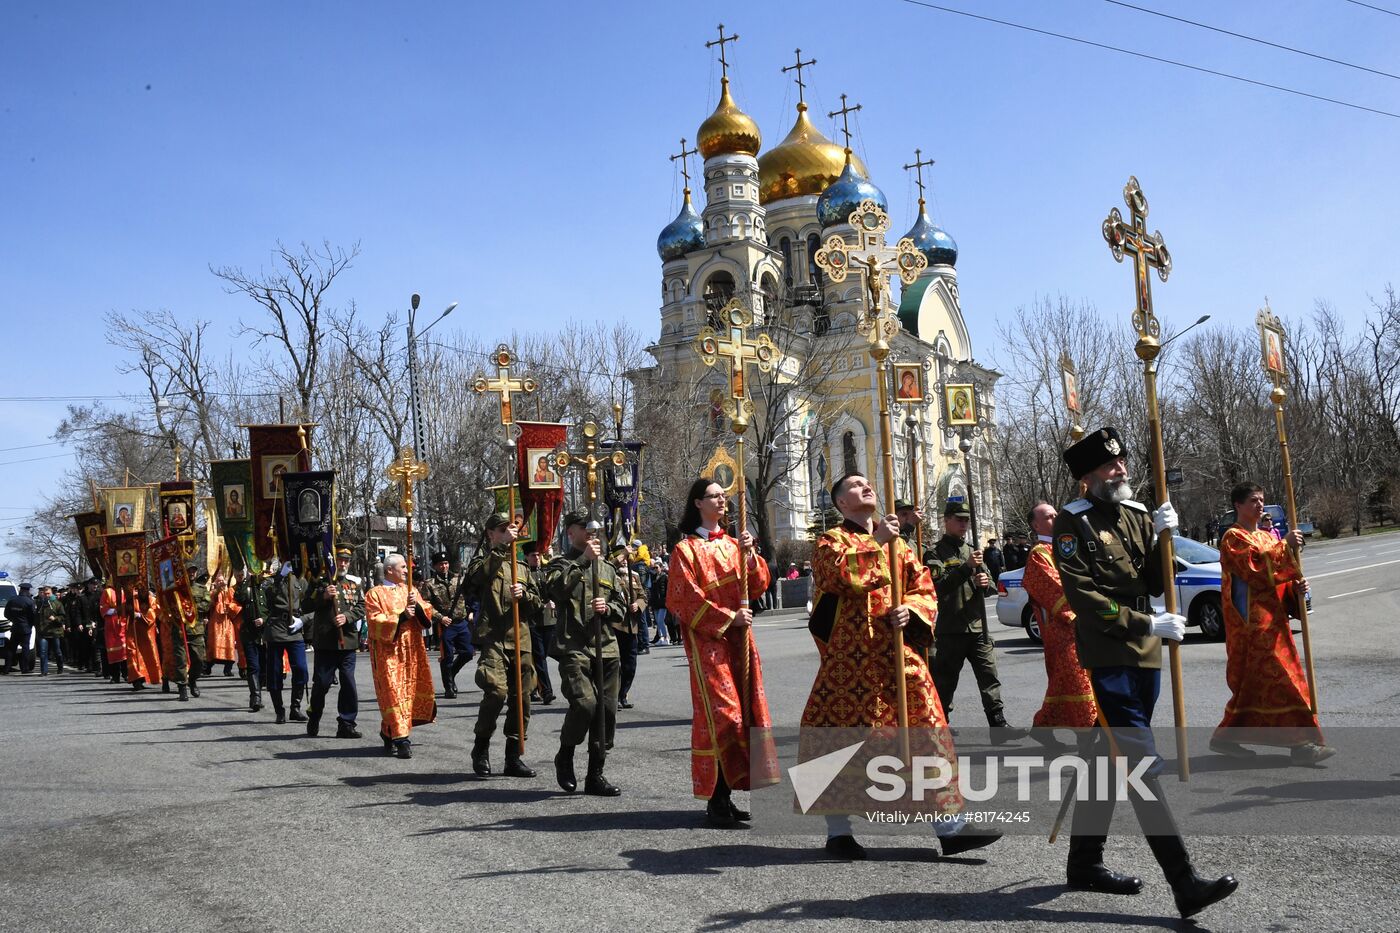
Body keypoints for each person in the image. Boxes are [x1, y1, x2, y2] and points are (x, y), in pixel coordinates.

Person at [1053, 426, 1237, 919]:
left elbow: (1157, 579)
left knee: (1104, 762)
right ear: (1088, 477)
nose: (1122, 470)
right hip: (1110, 650)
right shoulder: (1073, 524)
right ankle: (1184, 882)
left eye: (1123, 462)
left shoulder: (1137, 515)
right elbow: (1084, 598)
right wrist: (1144, 621)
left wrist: (1163, 536)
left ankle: (1084, 863)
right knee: (1139, 765)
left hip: (1147, 653)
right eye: (1111, 466)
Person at [801, 473, 1000, 860]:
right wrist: (878, 542)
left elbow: (923, 586)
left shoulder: (901, 546)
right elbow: (839, 576)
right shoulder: (831, 541)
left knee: (927, 730)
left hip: (898, 656)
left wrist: (911, 610)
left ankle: (950, 825)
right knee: (837, 740)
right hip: (850, 662)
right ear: (841, 503)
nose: (866, 486)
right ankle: (838, 831)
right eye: (856, 485)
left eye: (867, 482)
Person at [666, 478, 778, 827]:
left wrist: (751, 554)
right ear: (698, 503)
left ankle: (728, 793)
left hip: (741, 640)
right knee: (723, 715)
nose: (723, 501)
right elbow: (683, 599)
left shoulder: (732, 544)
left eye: (724, 496)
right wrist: (729, 618)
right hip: (709, 641)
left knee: (747, 712)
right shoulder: (685, 550)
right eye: (715, 496)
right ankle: (716, 797)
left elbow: (759, 585)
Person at [1211, 482, 1332, 764]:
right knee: (1284, 681)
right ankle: (1302, 745)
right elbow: (1254, 569)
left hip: (1274, 622)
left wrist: (1295, 589)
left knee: (1253, 687)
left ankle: (1225, 737)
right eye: (1253, 500)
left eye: (1262, 500)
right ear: (1238, 506)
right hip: (1252, 627)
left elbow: (1279, 578)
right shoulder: (1233, 538)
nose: (1260, 505)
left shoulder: (1266, 537)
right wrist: (1285, 545)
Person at [543, 511, 627, 796]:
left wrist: (609, 608)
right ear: (571, 533)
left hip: (606, 646)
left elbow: (621, 605)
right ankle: (565, 754)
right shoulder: (561, 563)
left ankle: (596, 774)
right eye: (585, 528)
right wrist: (582, 561)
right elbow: (555, 590)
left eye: (595, 529)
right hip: (574, 646)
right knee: (585, 704)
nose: (593, 533)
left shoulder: (607, 569)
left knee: (605, 712)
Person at [927, 503, 1023, 738]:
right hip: (951, 628)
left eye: (966, 520)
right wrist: (965, 568)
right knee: (945, 682)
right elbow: (937, 588)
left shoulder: (973, 550)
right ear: (946, 520)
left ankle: (998, 725)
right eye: (958, 519)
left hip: (978, 626)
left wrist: (985, 583)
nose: (963, 524)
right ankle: (941, 726)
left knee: (989, 677)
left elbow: (991, 585)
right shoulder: (934, 553)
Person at [464, 514, 540, 777]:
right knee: (496, 692)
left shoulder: (522, 565)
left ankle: (513, 756)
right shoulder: (481, 562)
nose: (509, 532)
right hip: (494, 637)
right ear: (490, 534)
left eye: (512, 528)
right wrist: (499, 548)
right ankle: (481, 746)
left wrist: (526, 595)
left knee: (522, 700)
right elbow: (478, 580)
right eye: (502, 529)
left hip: (520, 637)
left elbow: (537, 604)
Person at [1022, 502, 1096, 749]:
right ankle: (1086, 734)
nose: (1056, 518)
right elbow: (1051, 588)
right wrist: (1081, 610)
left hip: (1084, 625)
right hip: (1062, 628)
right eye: (1049, 516)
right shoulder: (1039, 553)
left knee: (1065, 682)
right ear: (1036, 524)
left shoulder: (1068, 546)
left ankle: (1043, 727)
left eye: (1057, 515)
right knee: (1076, 679)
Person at [365, 553, 436, 759]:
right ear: (389, 570)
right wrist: (402, 615)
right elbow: (375, 621)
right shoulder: (374, 594)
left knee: (408, 692)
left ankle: (389, 730)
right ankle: (401, 739)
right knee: (393, 693)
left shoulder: (410, 590)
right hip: (389, 653)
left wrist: (419, 606)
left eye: (407, 567)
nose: (407, 571)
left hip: (412, 650)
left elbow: (427, 615)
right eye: (403, 567)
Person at [302, 556, 366, 739]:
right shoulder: (318, 582)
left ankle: (346, 723)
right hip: (326, 642)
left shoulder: (354, 583)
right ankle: (314, 715)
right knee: (322, 684)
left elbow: (362, 606)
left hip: (347, 641)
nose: (343, 564)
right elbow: (305, 606)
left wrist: (347, 616)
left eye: (347, 561)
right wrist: (323, 597)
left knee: (348, 682)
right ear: (332, 562)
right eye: (340, 560)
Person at [257, 563, 309, 723]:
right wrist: (280, 576)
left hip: (294, 628)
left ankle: (295, 707)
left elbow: (309, 603)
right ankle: (279, 710)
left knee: (301, 669)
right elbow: (267, 596)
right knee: (274, 672)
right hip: (276, 629)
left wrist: (304, 620)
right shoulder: (271, 581)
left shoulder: (302, 580)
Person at [420, 550, 470, 699]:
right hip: (445, 624)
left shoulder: (458, 579)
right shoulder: (430, 584)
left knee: (467, 652)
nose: (444, 566)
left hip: (461, 621)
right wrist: (440, 617)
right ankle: (449, 686)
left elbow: (470, 595)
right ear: (435, 566)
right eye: (441, 564)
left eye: (446, 563)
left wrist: (471, 611)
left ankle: (452, 672)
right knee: (446, 656)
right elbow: (426, 604)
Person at [612, 545, 646, 709]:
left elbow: (643, 596)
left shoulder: (635, 576)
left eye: (626, 558)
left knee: (630, 664)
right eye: (622, 558)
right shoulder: (610, 574)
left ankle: (623, 694)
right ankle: (614, 696)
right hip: (615, 625)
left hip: (631, 625)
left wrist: (638, 605)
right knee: (614, 664)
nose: (625, 561)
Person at [524, 542, 557, 705]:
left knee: (541, 656)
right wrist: (543, 604)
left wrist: (550, 557)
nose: (536, 558)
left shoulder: (545, 572)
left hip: (549, 620)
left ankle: (532, 687)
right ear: (526, 557)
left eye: (538, 555)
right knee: (539, 658)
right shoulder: (524, 574)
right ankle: (547, 691)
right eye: (533, 555)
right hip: (533, 621)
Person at [204, 571, 239, 677]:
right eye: (218, 581)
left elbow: (235, 603)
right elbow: (210, 603)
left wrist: (230, 607)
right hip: (215, 623)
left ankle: (228, 668)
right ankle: (207, 667)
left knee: (229, 643)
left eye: (222, 580)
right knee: (212, 644)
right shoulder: (212, 592)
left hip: (227, 622)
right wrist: (218, 589)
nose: (220, 582)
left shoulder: (230, 591)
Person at [3, 582, 38, 674]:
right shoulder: (30, 601)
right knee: (25, 648)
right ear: (28, 590)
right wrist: (30, 624)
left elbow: (6, 614)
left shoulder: (12, 600)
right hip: (26, 628)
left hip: (15, 627)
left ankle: (6, 668)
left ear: (20, 589)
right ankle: (24, 669)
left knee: (11, 649)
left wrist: (14, 620)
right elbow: (33, 616)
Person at [36, 586, 66, 675]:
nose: (46, 595)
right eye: (45, 594)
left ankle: (60, 667)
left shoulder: (57, 603)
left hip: (55, 631)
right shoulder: (40, 604)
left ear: (51, 593)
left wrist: (55, 618)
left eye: (48, 593)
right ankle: (44, 671)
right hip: (43, 632)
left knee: (57, 652)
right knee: (43, 652)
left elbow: (63, 617)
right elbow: (36, 617)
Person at [648, 559, 670, 645]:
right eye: (654, 568)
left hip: (662, 600)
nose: (655, 569)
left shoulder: (664, 576)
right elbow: (651, 589)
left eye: (657, 567)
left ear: (661, 568)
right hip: (655, 601)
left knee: (661, 620)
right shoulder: (653, 577)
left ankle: (666, 637)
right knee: (657, 621)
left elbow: (667, 588)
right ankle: (661, 638)